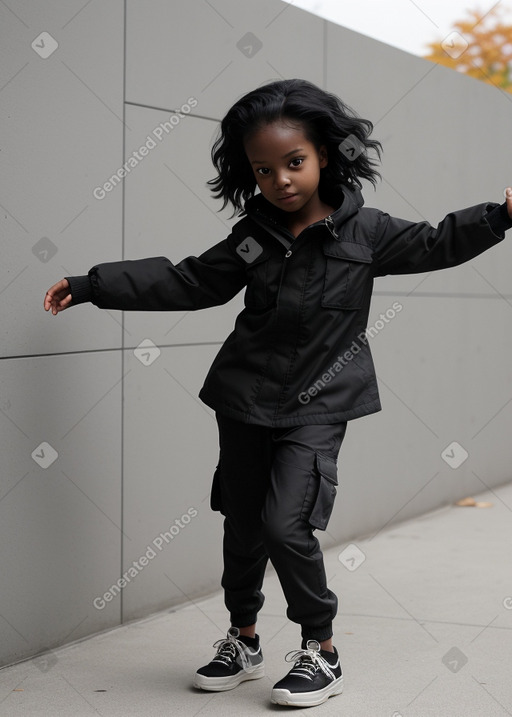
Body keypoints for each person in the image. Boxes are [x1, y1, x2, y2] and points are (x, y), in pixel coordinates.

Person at [44, 78, 512, 708]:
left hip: (319, 404)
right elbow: (189, 282)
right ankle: (242, 639)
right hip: (243, 401)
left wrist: (502, 216)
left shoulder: (366, 232)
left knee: (283, 524)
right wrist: (94, 283)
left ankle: (321, 649)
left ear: (325, 154)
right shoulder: (253, 237)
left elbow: (437, 242)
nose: (281, 180)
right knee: (242, 527)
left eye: (294, 162)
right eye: (264, 170)